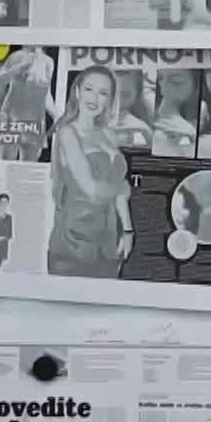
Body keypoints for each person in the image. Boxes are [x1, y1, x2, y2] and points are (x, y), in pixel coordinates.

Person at [48, 67, 133, 278]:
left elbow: (119, 191)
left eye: (103, 93)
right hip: (74, 243)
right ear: (77, 92)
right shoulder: (67, 133)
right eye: (89, 89)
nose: (94, 98)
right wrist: (122, 188)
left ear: (109, 100)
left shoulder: (108, 134)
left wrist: (128, 231)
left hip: (110, 242)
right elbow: (92, 190)